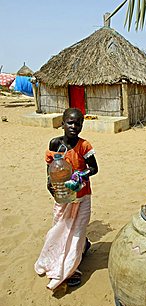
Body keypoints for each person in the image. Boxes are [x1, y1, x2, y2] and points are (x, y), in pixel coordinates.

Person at [34, 108, 98, 290]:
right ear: (62, 123)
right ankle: (61, 257)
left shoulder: (84, 146)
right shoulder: (55, 144)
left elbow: (94, 168)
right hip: (62, 196)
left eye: (78, 123)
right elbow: (50, 165)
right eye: (70, 122)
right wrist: (49, 181)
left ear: (81, 126)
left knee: (77, 233)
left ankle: (71, 269)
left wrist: (80, 175)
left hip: (82, 196)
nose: (74, 126)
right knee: (59, 228)